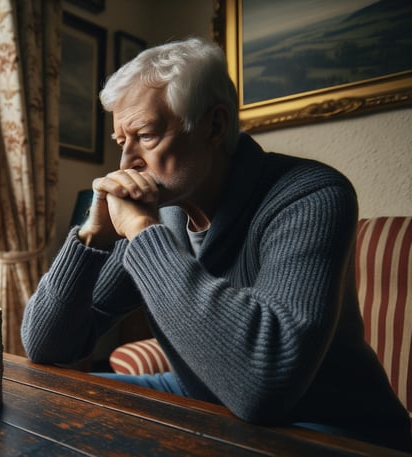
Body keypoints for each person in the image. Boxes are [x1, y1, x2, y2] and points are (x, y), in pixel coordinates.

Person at [20, 37, 412, 451]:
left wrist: (141, 232)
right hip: (206, 397)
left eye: (146, 136)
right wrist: (91, 239)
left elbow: (262, 387)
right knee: (41, 403)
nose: (125, 163)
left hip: (329, 424)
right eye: (122, 142)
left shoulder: (311, 195)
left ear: (215, 125)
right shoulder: (163, 212)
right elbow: (48, 347)